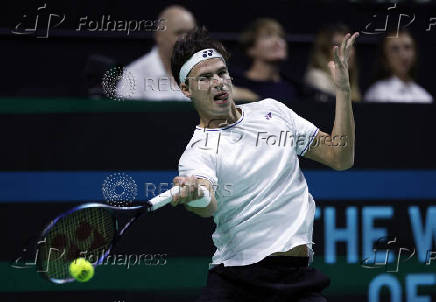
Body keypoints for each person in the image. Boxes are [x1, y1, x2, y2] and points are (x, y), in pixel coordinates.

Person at [168, 27, 358, 301]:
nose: (219, 83)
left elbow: (340, 157)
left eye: (222, 73)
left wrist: (343, 90)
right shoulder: (198, 151)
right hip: (238, 284)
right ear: (186, 89)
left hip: (296, 281)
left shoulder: (273, 112)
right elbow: (206, 203)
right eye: (205, 78)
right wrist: (195, 193)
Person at [117, 5, 195, 101]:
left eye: (190, 33)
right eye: (179, 33)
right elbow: (124, 115)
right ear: (159, 36)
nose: (186, 39)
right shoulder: (134, 76)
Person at [232, 18, 300, 103]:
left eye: (281, 36)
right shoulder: (234, 82)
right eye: (268, 36)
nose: (277, 42)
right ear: (251, 49)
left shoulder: (293, 89)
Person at [363, 29, 433, 103]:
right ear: (384, 58)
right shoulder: (377, 93)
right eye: (395, 49)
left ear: (415, 53)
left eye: (407, 47)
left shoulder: (424, 96)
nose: (403, 55)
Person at [305, 23, 361, 102]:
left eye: (350, 45)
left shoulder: (351, 83)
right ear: (324, 51)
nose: (350, 51)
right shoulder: (318, 78)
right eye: (339, 45)